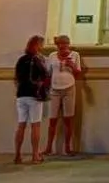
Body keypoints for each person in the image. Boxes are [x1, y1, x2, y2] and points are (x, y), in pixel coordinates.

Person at [44, 33, 86, 156]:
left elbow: (78, 73)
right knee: (52, 119)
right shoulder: (52, 56)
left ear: (68, 44)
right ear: (57, 45)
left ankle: (68, 147)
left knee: (69, 119)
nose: (62, 46)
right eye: (60, 44)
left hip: (69, 88)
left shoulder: (75, 55)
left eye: (65, 44)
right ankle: (48, 147)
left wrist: (71, 65)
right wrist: (44, 88)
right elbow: (48, 73)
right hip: (54, 89)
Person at [13, 34, 50, 164]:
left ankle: (17, 155)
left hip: (21, 95)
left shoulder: (21, 60)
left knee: (21, 125)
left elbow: (16, 78)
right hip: (34, 95)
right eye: (41, 44)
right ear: (38, 46)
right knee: (35, 125)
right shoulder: (38, 60)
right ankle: (35, 155)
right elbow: (45, 76)